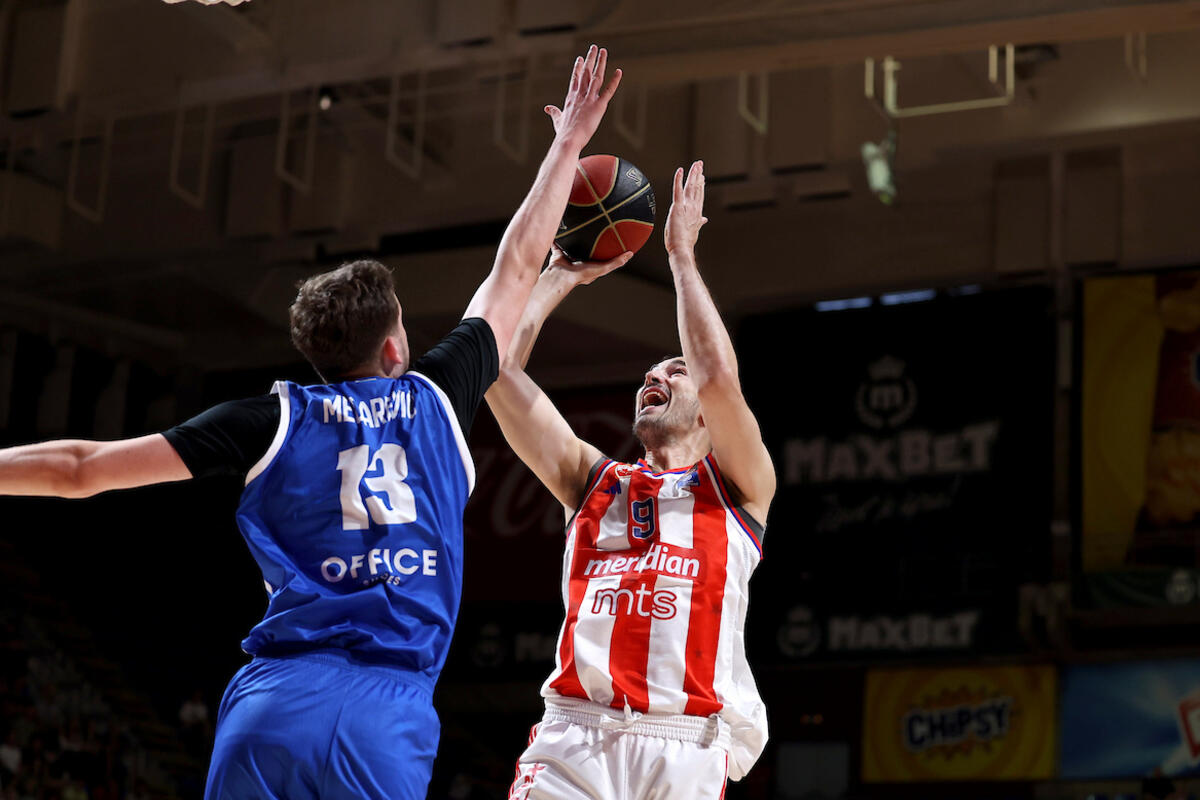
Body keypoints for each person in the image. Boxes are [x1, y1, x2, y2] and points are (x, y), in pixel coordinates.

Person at [0, 45, 623, 800]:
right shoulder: (435, 398)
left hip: (272, 705)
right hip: (385, 713)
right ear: (394, 348)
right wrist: (568, 145)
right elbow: (516, 265)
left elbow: (81, 469)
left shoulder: (269, 420)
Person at [488, 160, 775, 800]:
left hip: (683, 744)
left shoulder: (740, 488)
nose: (654, 376)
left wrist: (681, 257)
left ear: (706, 412)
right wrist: (561, 274)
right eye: (650, 372)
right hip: (574, 736)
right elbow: (497, 367)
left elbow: (718, 378)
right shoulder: (592, 482)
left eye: (674, 370)